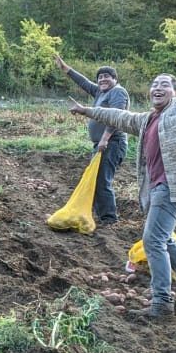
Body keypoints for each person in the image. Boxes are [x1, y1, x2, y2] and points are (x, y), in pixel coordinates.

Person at [69, 65, 176, 319]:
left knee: (153, 241)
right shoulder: (148, 118)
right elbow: (119, 117)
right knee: (166, 238)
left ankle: (162, 302)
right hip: (157, 188)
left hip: (175, 186)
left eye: (164, 84)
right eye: (154, 84)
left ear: (175, 91)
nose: (157, 88)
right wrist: (87, 111)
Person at [55, 55, 129, 226]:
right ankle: (101, 215)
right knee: (95, 179)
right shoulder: (100, 92)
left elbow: (116, 117)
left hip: (112, 143)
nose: (102, 79)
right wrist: (66, 69)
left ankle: (109, 219)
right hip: (102, 144)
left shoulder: (118, 92)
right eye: (100, 77)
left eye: (107, 76)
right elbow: (84, 82)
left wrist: (104, 139)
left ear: (115, 79)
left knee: (102, 180)